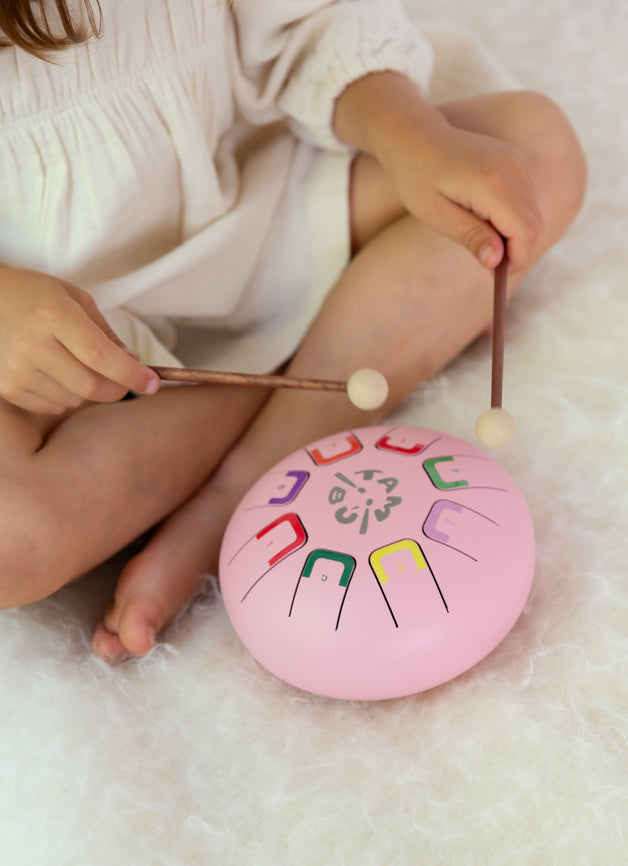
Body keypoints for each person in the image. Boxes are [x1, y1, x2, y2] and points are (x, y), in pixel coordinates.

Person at [0, 0, 586, 660]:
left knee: (532, 151)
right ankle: (324, 369)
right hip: (49, 344)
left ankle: (238, 487)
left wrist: (409, 137)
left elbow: (309, 22)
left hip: (259, 215)